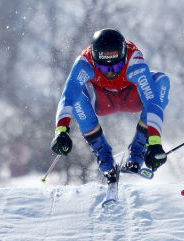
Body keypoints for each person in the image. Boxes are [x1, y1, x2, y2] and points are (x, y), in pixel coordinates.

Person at [51, 28, 170, 182]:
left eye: (115, 67)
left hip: (131, 97)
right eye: (102, 68)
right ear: (94, 59)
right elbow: (67, 97)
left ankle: (138, 150)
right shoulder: (84, 62)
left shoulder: (133, 60)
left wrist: (154, 142)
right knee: (77, 94)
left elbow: (152, 103)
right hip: (103, 101)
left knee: (162, 81)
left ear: (124, 58)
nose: (109, 73)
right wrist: (61, 131)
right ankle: (103, 156)